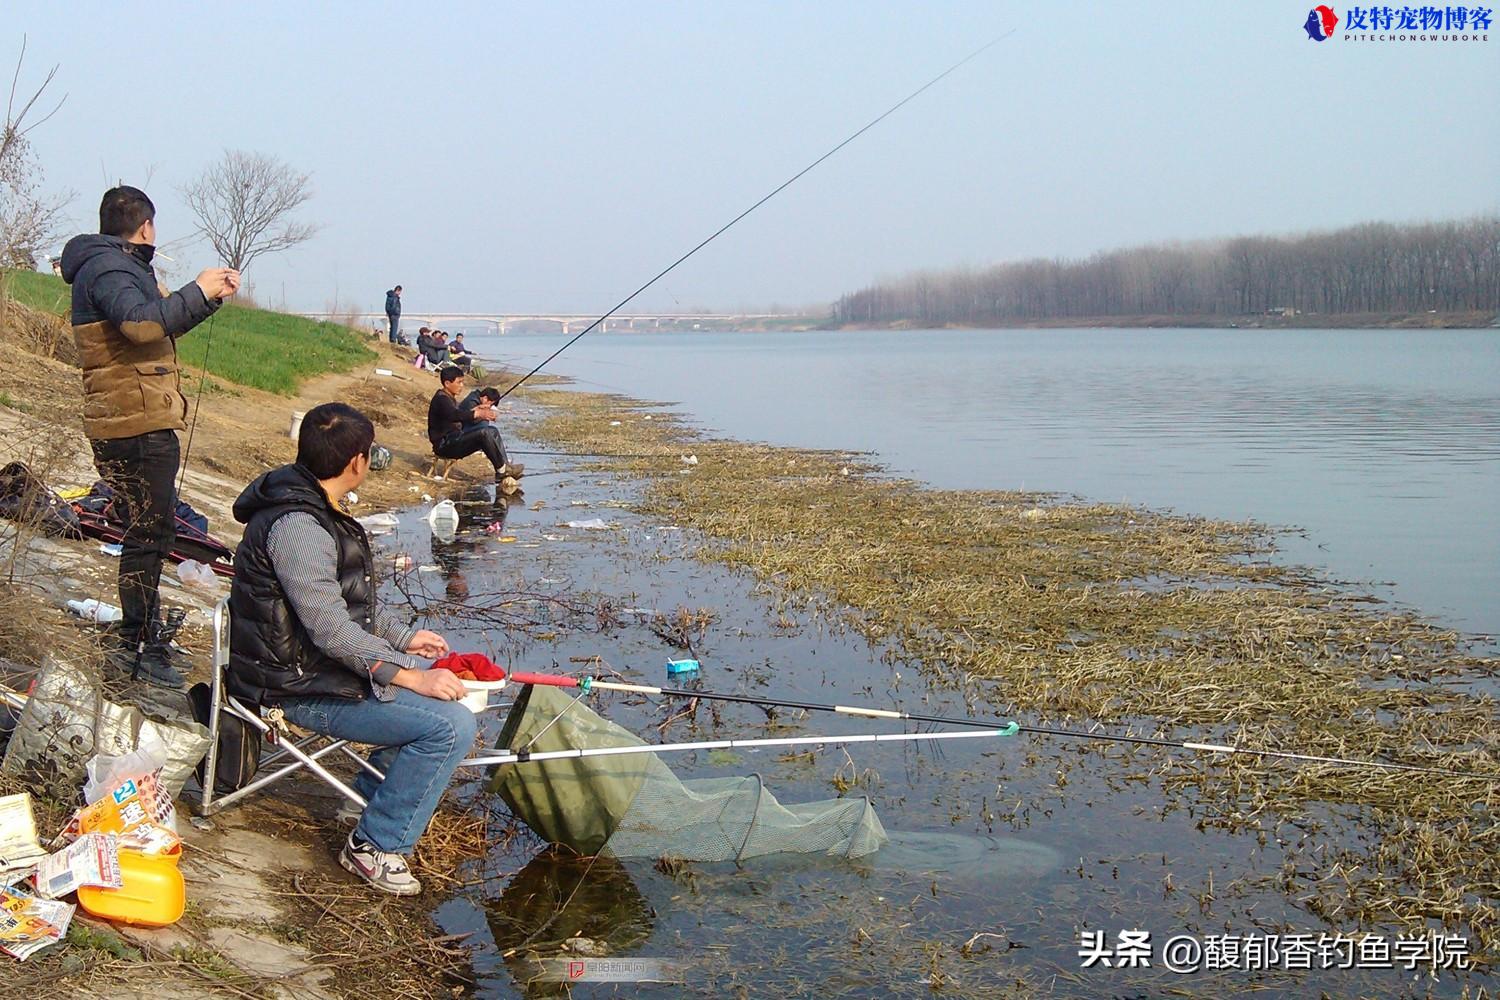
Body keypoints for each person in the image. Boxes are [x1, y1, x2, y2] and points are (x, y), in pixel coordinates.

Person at [227, 402, 477, 895]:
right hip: (292, 685)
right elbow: (331, 631)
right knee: (450, 728)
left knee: (443, 694)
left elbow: (345, 608)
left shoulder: (315, 506)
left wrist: (404, 641)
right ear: (357, 463)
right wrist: (408, 675)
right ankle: (375, 846)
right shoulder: (299, 526)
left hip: (310, 666)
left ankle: (368, 796)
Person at [60, 186, 240, 687]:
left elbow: (159, 326)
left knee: (151, 531)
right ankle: (136, 642)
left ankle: (142, 634)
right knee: (148, 534)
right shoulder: (110, 269)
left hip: (132, 418)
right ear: (145, 226)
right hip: (132, 422)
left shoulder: (113, 266)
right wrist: (198, 287)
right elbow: (142, 325)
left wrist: (208, 302)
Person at [427, 367, 523, 483]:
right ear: (447, 383)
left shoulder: (448, 398)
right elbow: (454, 415)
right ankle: (501, 471)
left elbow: (456, 417)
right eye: (459, 382)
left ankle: (505, 466)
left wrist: (476, 409)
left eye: (462, 382)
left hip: (454, 439)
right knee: (484, 433)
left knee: (492, 430)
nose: (462, 385)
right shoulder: (441, 399)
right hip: (445, 446)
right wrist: (478, 413)